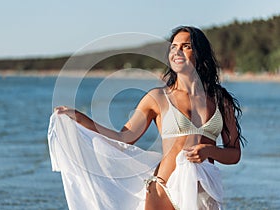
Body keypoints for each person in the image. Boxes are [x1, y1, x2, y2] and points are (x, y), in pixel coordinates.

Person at [49, 26, 245, 210]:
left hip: (204, 193)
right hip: (163, 190)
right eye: (173, 47)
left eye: (186, 46)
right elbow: (124, 137)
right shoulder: (158, 98)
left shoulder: (221, 100)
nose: (177, 52)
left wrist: (210, 150)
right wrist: (80, 118)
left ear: (199, 53)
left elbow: (234, 153)